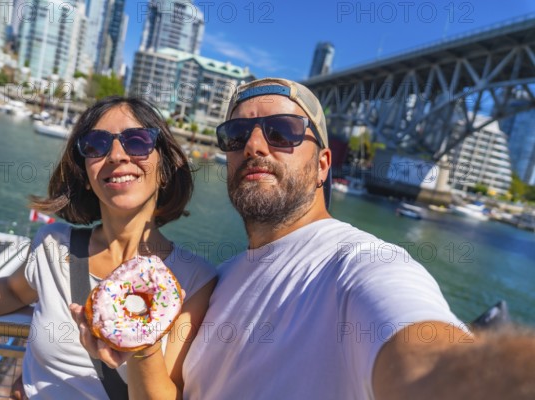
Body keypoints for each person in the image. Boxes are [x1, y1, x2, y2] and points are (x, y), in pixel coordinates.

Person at [182, 78, 535, 399]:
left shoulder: (360, 263)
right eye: (236, 134)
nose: (253, 145)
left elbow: (431, 363)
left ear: (322, 166)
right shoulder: (219, 279)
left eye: (281, 131)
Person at [0, 96, 217, 399]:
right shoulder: (53, 245)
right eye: (96, 145)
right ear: (85, 175)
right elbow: (12, 290)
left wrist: (141, 347)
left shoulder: (194, 281)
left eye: (137, 141)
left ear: (164, 168)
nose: (117, 155)